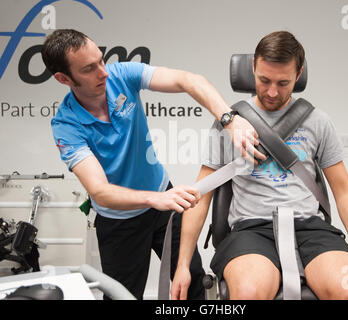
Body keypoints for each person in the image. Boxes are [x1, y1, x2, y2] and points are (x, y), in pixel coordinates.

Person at [41, 29, 266, 300]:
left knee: (193, 282)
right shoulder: (66, 126)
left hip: (163, 206)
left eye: (101, 60)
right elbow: (99, 191)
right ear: (63, 78)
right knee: (122, 296)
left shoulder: (121, 75)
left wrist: (230, 119)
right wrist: (155, 199)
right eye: (89, 69)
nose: (103, 72)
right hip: (119, 222)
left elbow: (188, 81)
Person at [171, 31, 348, 300]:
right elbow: (201, 196)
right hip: (252, 229)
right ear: (253, 67)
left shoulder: (318, 122)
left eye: (283, 83)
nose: (272, 92)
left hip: (310, 228)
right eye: (264, 80)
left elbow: (344, 191)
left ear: (299, 74)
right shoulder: (229, 124)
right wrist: (183, 266)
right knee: (248, 293)